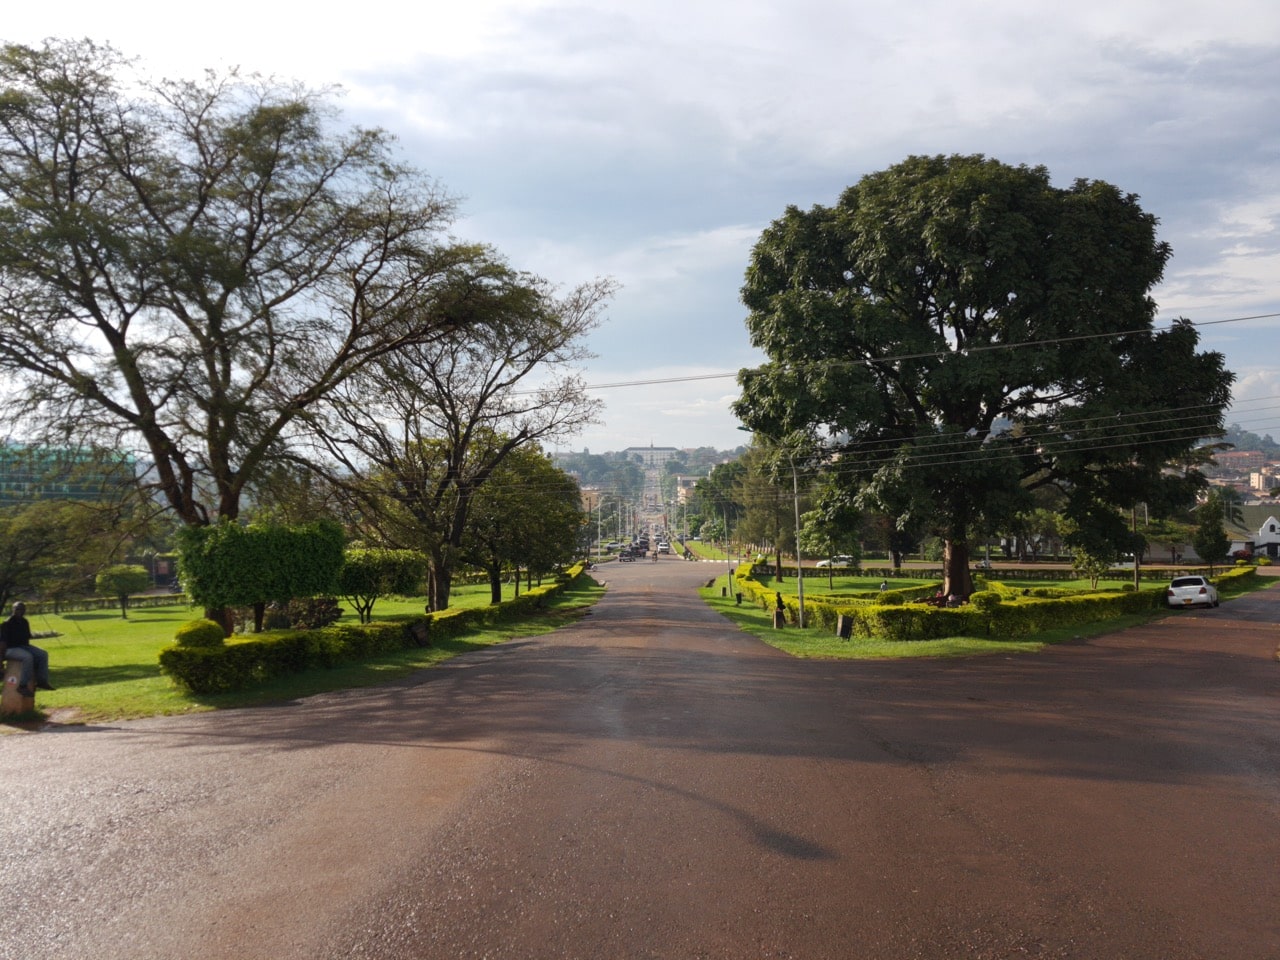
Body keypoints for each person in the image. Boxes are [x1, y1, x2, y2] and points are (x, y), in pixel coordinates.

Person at [0, 602, 54, 697]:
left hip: (23, 646)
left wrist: (30, 649)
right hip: (10, 649)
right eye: (17, 609)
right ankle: (22, 686)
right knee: (27, 657)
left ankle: (42, 681)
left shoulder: (25, 622)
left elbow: (27, 638)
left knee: (43, 654)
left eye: (22, 609)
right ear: (13, 610)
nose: (20, 611)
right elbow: (3, 642)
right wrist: (1, 659)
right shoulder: (7, 623)